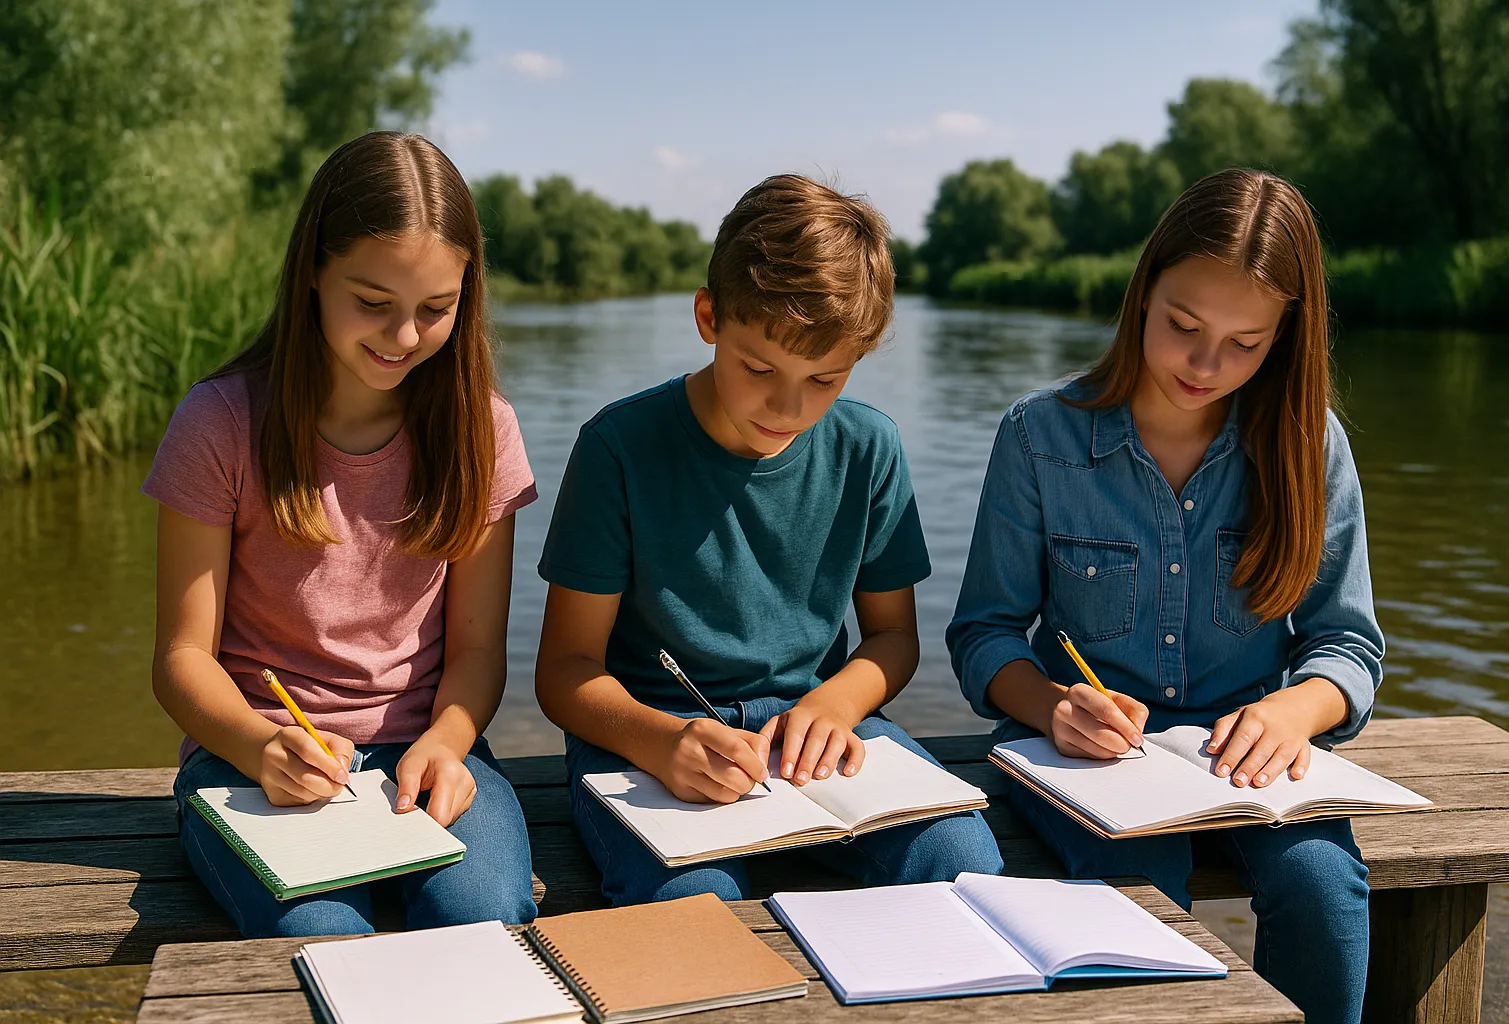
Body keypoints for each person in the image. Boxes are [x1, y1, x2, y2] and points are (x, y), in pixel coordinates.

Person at [946, 168, 1383, 1024]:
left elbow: (1348, 643)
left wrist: (1294, 713)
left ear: (1286, 336)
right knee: (1140, 888)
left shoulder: (1308, 442)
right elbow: (985, 634)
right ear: (1144, 292)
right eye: (1184, 325)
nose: (1205, 364)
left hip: (1254, 762)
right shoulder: (1040, 436)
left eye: (1246, 343)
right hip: (1089, 762)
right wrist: (1051, 708)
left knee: (1326, 889)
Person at [535, 173, 1003, 906]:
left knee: (963, 858)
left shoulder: (870, 448)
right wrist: (662, 742)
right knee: (695, 900)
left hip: (818, 736)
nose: (789, 407)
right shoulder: (618, 448)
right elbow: (565, 670)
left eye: (825, 379)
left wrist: (838, 705)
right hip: (650, 740)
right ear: (708, 315)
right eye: (759, 367)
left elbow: (892, 641)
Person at [145, 131, 538, 937]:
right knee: (321, 933)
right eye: (372, 303)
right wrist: (261, 748)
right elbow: (182, 659)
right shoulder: (218, 424)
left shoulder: (484, 432)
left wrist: (450, 742)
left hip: (426, 753)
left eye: (436, 310)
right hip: (249, 755)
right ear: (313, 272)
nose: (402, 338)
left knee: (484, 922)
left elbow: (474, 653)